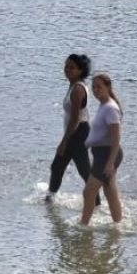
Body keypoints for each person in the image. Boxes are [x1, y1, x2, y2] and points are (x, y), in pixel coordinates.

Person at [47, 54, 100, 206]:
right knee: (57, 166)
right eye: (66, 66)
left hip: (78, 133)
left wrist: (64, 141)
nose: (67, 69)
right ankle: (50, 199)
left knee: (84, 171)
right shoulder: (73, 85)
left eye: (72, 67)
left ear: (80, 70)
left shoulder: (78, 89)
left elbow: (75, 118)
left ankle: (97, 204)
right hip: (75, 132)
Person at [81, 73, 125, 225]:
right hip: (101, 153)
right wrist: (87, 144)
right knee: (109, 191)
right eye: (93, 87)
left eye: (99, 87)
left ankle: (83, 225)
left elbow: (116, 137)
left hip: (108, 154)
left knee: (88, 192)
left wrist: (110, 162)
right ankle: (118, 224)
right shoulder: (103, 105)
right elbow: (100, 133)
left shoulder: (111, 108)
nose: (95, 90)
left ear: (108, 87)